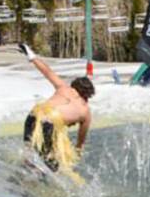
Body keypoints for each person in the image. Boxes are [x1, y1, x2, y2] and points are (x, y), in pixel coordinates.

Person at [20, 44, 94, 174]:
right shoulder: (86, 111)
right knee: (51, 166)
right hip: (48, 122)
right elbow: (80, 142)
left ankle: (24, 173)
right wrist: (76, 156)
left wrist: (32, 56)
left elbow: (47, 71)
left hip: (33, 115)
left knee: (29, 155)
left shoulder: (63, 87)